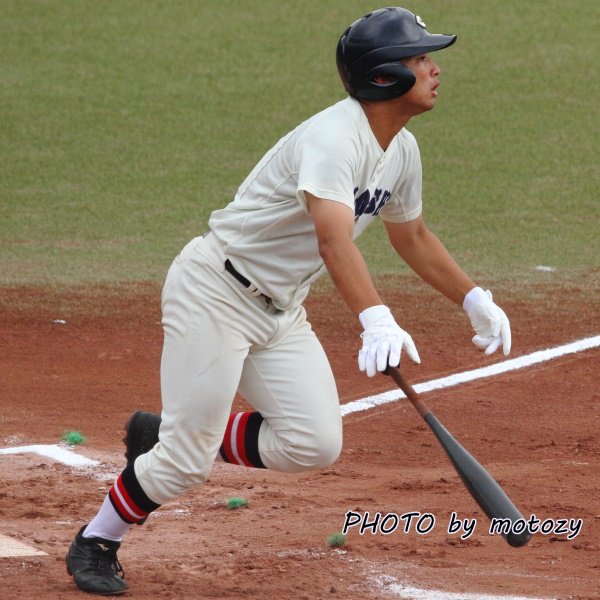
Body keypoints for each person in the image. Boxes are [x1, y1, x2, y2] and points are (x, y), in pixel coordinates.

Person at [66, 7, 511, 595]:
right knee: (183, 464)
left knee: (313, 442)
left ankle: (169, 432)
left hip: (279, 310)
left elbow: (413, 236)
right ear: (385, 76)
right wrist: (376, 319)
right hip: (215, 293)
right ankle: (97, 540)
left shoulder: (401, 150)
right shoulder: (334, 139)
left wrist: (473, 297)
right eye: (421, 58)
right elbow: (333, 240)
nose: (434, 69)